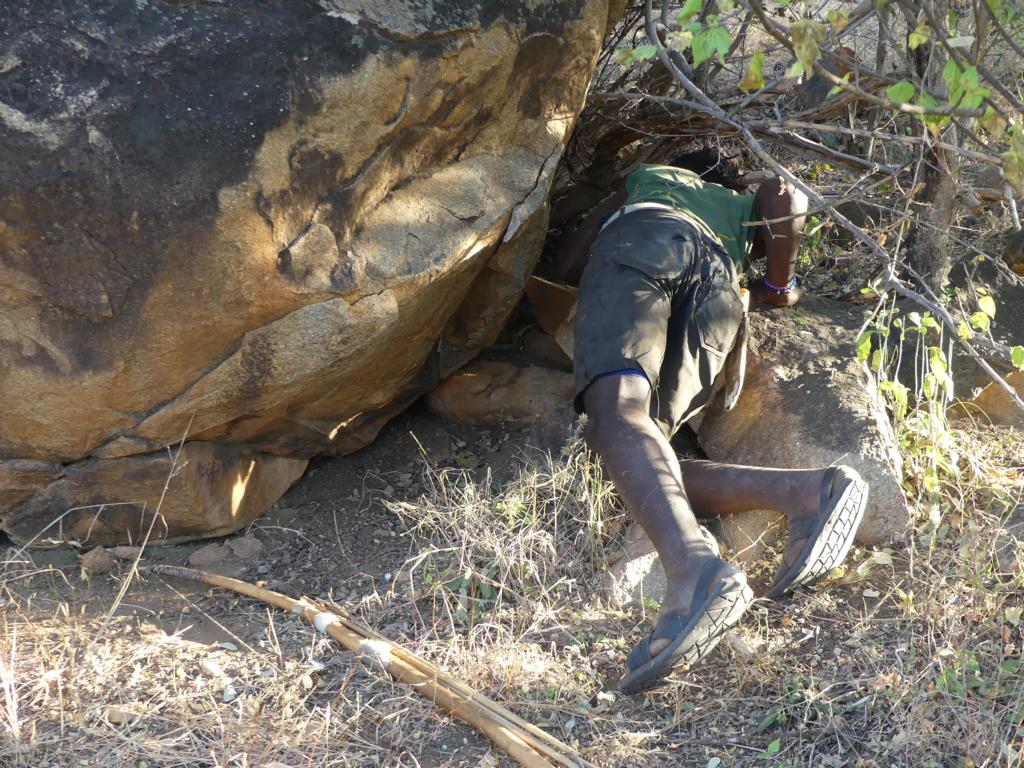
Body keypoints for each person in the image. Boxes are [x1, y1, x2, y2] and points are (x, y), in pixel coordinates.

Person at [555, 159, 868, 694]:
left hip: (643, 240)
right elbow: (783, 192)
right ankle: (808, 491)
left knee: (616, 413)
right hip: (718, 284)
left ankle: (695, 571)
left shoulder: (647, 178)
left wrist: (562, 274)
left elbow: (576, 248)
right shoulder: (738, 212)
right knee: (644, 451)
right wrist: (778, 284)